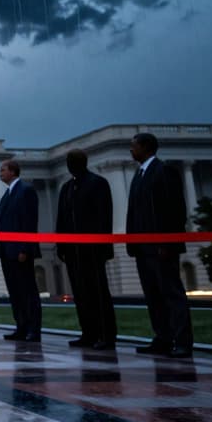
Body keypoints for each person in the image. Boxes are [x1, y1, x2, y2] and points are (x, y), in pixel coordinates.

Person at [126, 133, 193, 358]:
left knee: (172, 295)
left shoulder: (164, 171)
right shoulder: (139, 175)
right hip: (143, 248)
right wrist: (132, 242)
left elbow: (175, 209)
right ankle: (163, 337)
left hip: (162, 247)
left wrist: (168, 241)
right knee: (153, 295)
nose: (130, 150)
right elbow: (133, 213)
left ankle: (182, 341)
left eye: (133, 146)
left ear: (145, 147)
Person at [56, 149, 118, 350]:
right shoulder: (67, 187)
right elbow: (62, 219)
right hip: (73, 251)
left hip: (92, 250)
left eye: (72, 161)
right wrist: (61, 245)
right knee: (80, 294)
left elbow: (104, 217)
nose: (70, 164)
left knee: (98, 294)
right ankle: (88, 332)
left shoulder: (97, 183)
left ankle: (106, 334)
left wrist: (103, 246)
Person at [0, 159, 41, 342]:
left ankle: (33, 329)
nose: (0, 172)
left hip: (20, 251)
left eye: (3, 169)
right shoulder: (7, 194)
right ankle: (21, 326)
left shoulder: (26, 190)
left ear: (13, 172)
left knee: (28, 292)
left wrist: (24, 248)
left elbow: (29, 222)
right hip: (7, 251)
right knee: (15, 292)